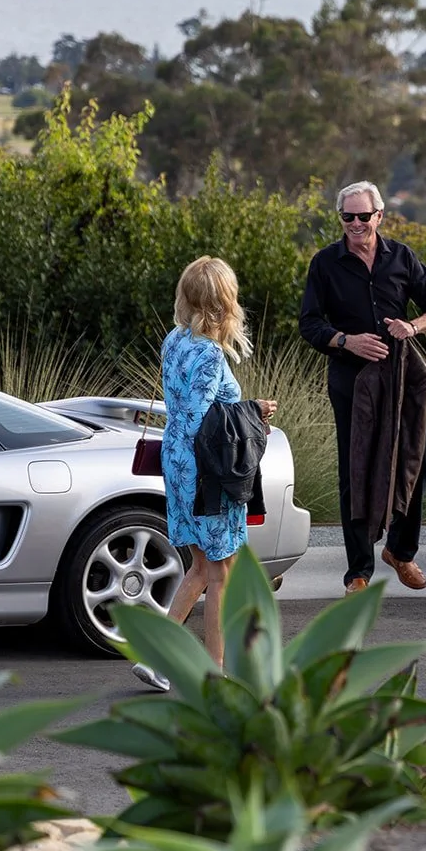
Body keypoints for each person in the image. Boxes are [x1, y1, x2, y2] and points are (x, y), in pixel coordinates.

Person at [299, 181, 426, 593]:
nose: (356, 224)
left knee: (420, 461)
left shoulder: (402, 258)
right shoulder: (325, 264)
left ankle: (400, 551)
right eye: (348, 217)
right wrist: (348, 341)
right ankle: (358, 572)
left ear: (379, 215)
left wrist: (412, 326)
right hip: (350, 382)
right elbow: (309, 324)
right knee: (355, 472)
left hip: (399, 381)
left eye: (363, 216)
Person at [133, 256, 276, 689]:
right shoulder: (210, 353)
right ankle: (212, 671)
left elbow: (187, 413)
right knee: (221, 572)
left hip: (177, 463)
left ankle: (157, 656)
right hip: (209, 474)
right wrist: (255, 409)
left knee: (200, 567)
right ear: (222, 301)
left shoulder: (174, 339)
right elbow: (201, 419)